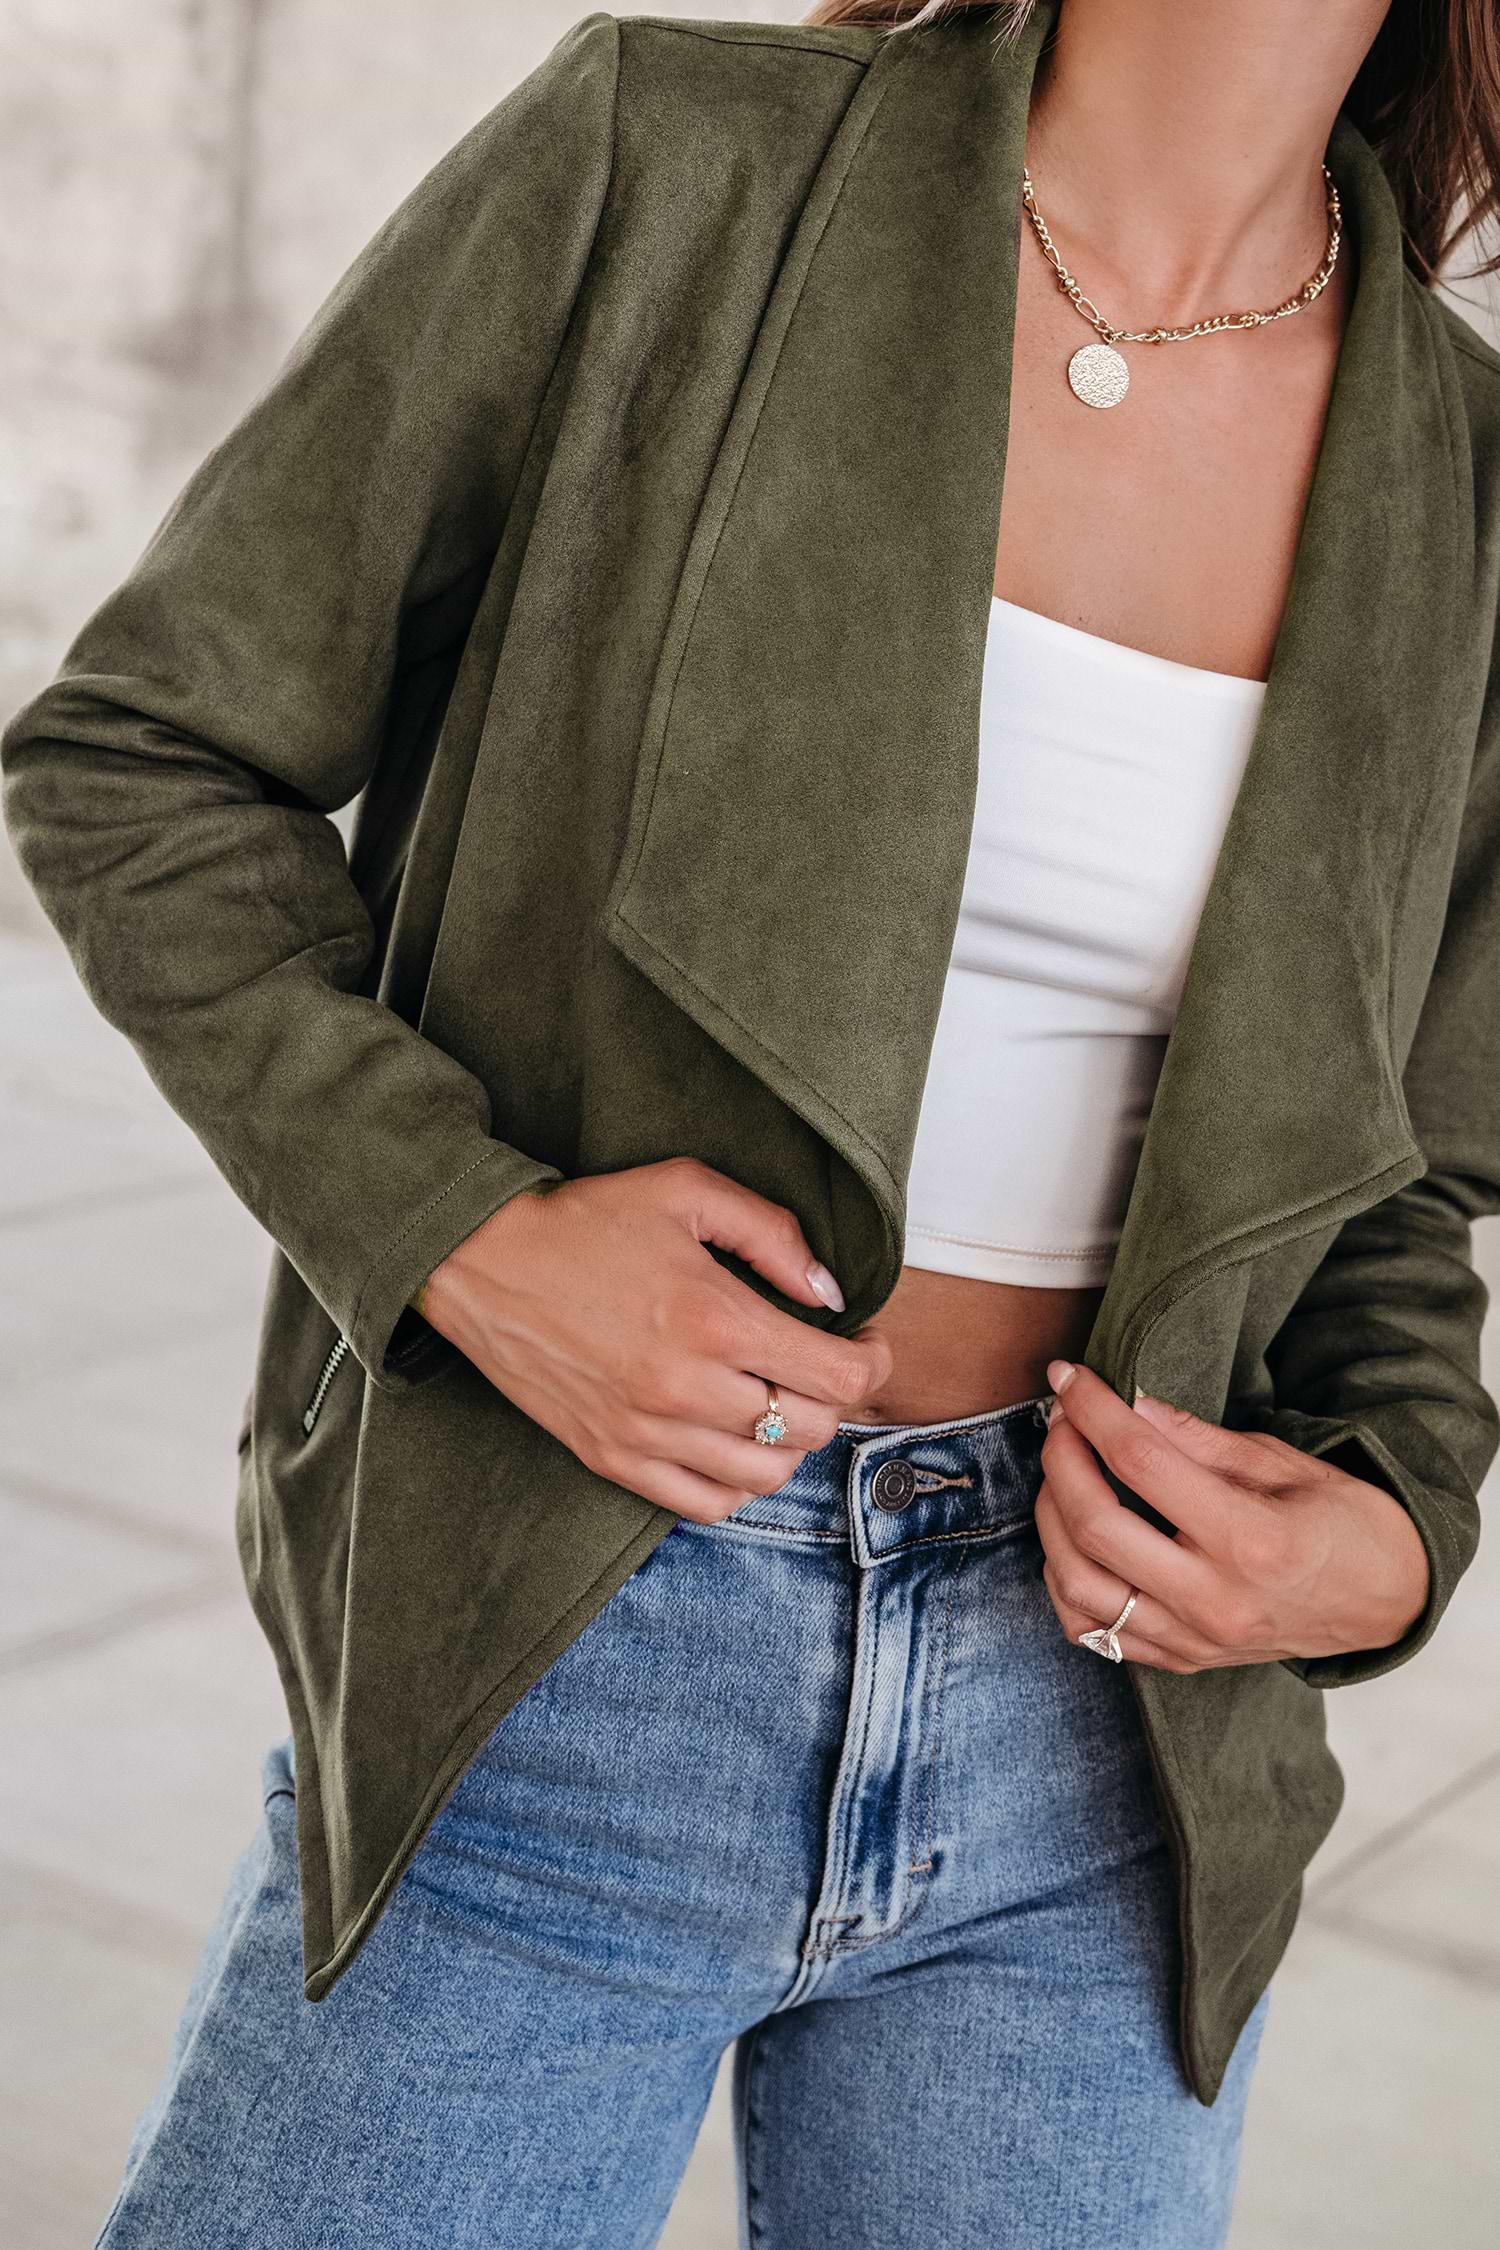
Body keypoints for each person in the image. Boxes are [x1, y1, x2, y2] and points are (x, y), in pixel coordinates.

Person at [5, 0, 1500, 2242]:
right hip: (565, 1648)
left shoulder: (1464, 477)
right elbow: (141, 760)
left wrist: (1391, 1533)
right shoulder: (669, 165)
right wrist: (461, 1230)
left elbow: (1399, 1177)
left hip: (1112, 1784)